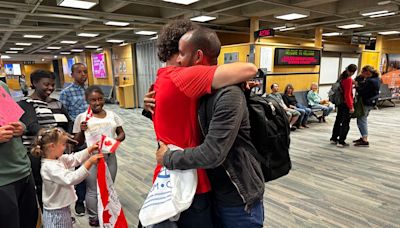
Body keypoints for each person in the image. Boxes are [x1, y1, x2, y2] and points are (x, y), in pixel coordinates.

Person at [151, 24, 258, 227]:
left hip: (217, 188)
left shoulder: (171, 80)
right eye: (179, 53)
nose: (180, 60)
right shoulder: (182, 78)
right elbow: (249, 69)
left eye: (184, 53)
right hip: (191, 182)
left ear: (197, 55)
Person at [18, 69, 73, 209]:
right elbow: (33, 126)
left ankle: (59, 212)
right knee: (42, 187)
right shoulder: (25, 104)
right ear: (35, 83)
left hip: (56, 153)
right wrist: (55, 135)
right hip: (36, 154)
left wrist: (68, 135)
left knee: (58, 185)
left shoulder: (57, 103)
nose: (50, 88)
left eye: (52, 85)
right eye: (46, 84)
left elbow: (68, 123)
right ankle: (48, 214)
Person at [73, 85, 125, 226]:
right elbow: (77, 142)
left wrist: (114, 141)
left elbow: (122, 134)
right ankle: (94, 216)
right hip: (93, 158)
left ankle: (107, 212)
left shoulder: (112, 115)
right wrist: (81, 131)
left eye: (100, 99)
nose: (97, 103)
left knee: (108, 187)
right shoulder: (83, 118)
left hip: (110, 157)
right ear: (87, 101)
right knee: (92, 189)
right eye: (93, 100)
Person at [31, 127, 103, 228]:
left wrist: (89, 150)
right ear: (52, 146)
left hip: (61, 208)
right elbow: (71, 178)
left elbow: (74, 158)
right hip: (56, 212)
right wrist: (90, 162)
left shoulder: (58, 159)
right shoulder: (49, 167)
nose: (65, 147)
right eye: (63, 144)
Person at [0, 81, 38, 228]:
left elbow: (14, 119)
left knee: (29, 222)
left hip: (22, 170)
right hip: (3, 181)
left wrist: (20, 127)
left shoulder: (1, 86)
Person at [59, 62, 89, 216]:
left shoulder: (90, 90)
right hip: (78, 135)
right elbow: (64, 117)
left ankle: (97, 198)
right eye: (79, 72)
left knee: (96, 166)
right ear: (72, 74)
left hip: (94, 133)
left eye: (85, 71)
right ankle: (80, 201)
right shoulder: (66, 93)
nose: (83, 74)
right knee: (81, 168)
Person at [330, 64, 357, 147]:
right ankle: (341, 141)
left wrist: (353, 82)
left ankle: (334, 138)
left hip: (340, 103)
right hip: (345, 104)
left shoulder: (341, 78)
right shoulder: (348, 80)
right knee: (345, 123)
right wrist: (351, 107)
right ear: (353, 72)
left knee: (338, 120)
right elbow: (347, 95)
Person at [353, 65, 381, 147]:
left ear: (367, 72)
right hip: (372, 102)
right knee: (362, 119)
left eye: (362, 72)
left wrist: (357, 86)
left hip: (366, 102)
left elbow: (362, 92)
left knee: (362, 119)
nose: (361, 73)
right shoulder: (376, 79)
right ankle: (363, 137)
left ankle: (364, 139)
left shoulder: (370, 81)